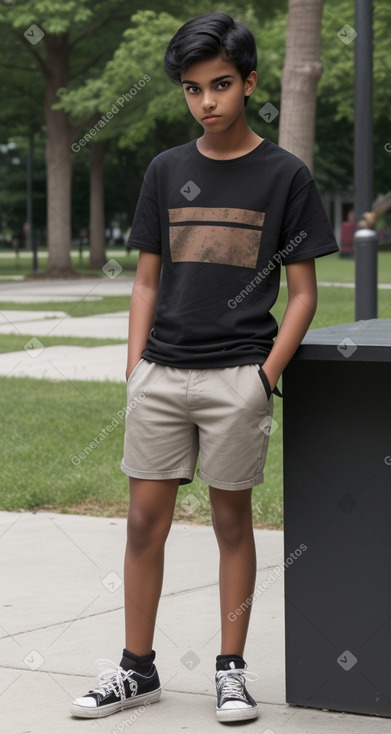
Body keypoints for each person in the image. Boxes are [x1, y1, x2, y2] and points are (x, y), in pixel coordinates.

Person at [70, 11, 338, 724]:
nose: (206, 101)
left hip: (236, 380)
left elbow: (305, 294)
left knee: (230, 526)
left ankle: (229, 672)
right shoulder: (166, 170)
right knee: (141, 527)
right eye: (192, 89)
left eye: (220, 84)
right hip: (162, 375)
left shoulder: (284, 175)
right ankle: (136, 671)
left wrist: (261, 376)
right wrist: (135, 368)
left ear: (249, 83)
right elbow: (145, 283)